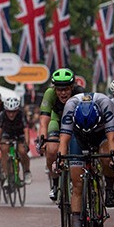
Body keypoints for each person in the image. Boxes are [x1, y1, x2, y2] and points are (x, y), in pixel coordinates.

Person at [56, 92, 114, 227]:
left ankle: (109, 188)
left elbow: (112, 139)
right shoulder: (70, 107)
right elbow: (64, 140)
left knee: (108, 159)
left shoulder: (106, 105)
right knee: (77, 184)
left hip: (101, 135)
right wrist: (59, 160)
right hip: (79, 137)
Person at [36, 68, 84, 201]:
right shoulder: (49, 94)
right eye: (59, 89)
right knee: (51, 150)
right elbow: (44, 120)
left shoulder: (79, 93)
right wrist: (42, 139)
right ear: (54, 89)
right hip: (56, 120)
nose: (63, 93)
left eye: (66, 89)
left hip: (75, 121)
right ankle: (55, 183)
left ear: (72, 87)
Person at [0, 97, 32, 187]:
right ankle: (7, 176)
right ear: (5, 110)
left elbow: (26, 130)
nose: (11, 114)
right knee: (4, 149)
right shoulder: (2, 115)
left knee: (22, 151)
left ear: (17, 110)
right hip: (7, 133)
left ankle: (26, 171)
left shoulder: (21, 114)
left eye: (13, 112)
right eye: (9, 112)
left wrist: (27, 143)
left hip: (19, 134)